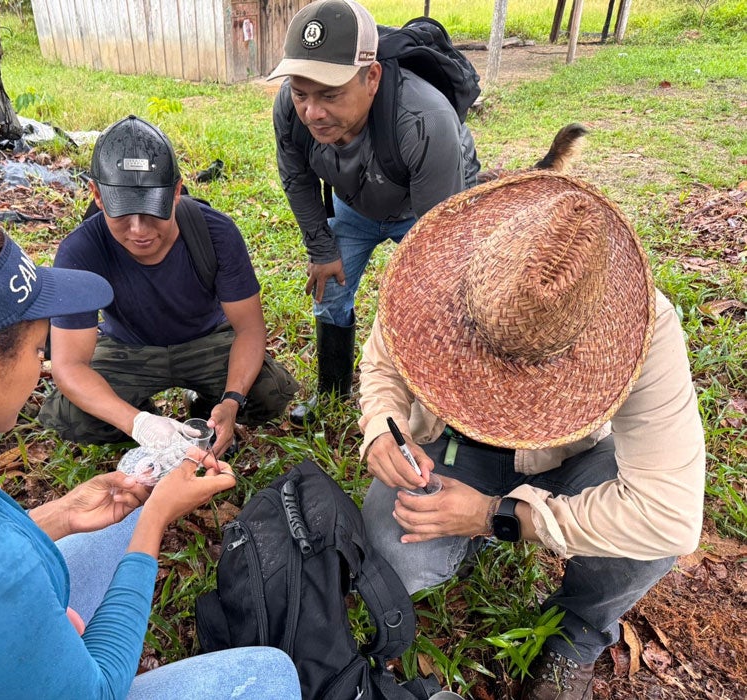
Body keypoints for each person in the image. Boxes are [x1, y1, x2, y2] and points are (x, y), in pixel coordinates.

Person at [0, 209, 301, 698]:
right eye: (35, 348)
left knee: (119, 520)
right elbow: (97, 692)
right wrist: (155, 522)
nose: (41, 364)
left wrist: (63, 514)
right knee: (270, 677)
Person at [357, 172, 705, 699]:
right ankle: (460, 543)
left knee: (647, 543)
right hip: (448, 449)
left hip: (566, 465)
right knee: (390, 549)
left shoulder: (645, 329)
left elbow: (671, 515)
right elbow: (384, 361)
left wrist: (496, 517)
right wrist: (384, 427)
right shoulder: (430, 267)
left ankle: (578, 632)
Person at [267, 0, 480, 423]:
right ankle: (331, 392)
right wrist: (321, 249)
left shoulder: (425, 119)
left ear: (372, 78)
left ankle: (436, 397)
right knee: (330, 291)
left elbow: (439, 241)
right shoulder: (291, 110)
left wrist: (416, 289)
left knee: (444, 300)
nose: (313, 112)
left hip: (428, 207)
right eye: (301, 93)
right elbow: (298, 180)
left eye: (330, 94)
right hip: (355, 203)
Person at [38, 115, 298, 456]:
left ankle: (207, 409)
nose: (138, 230)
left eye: (151, 212)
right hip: (127, 346)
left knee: (268, 393)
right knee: (73, 416)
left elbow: (250, 329)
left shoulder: (216, 232)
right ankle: (149, 417)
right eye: (122, 214)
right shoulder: (80, 250)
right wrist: (138, 423)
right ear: (97, 196)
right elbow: (68, 366)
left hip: (206, 339)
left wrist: (232, 400)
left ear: (176, 191)